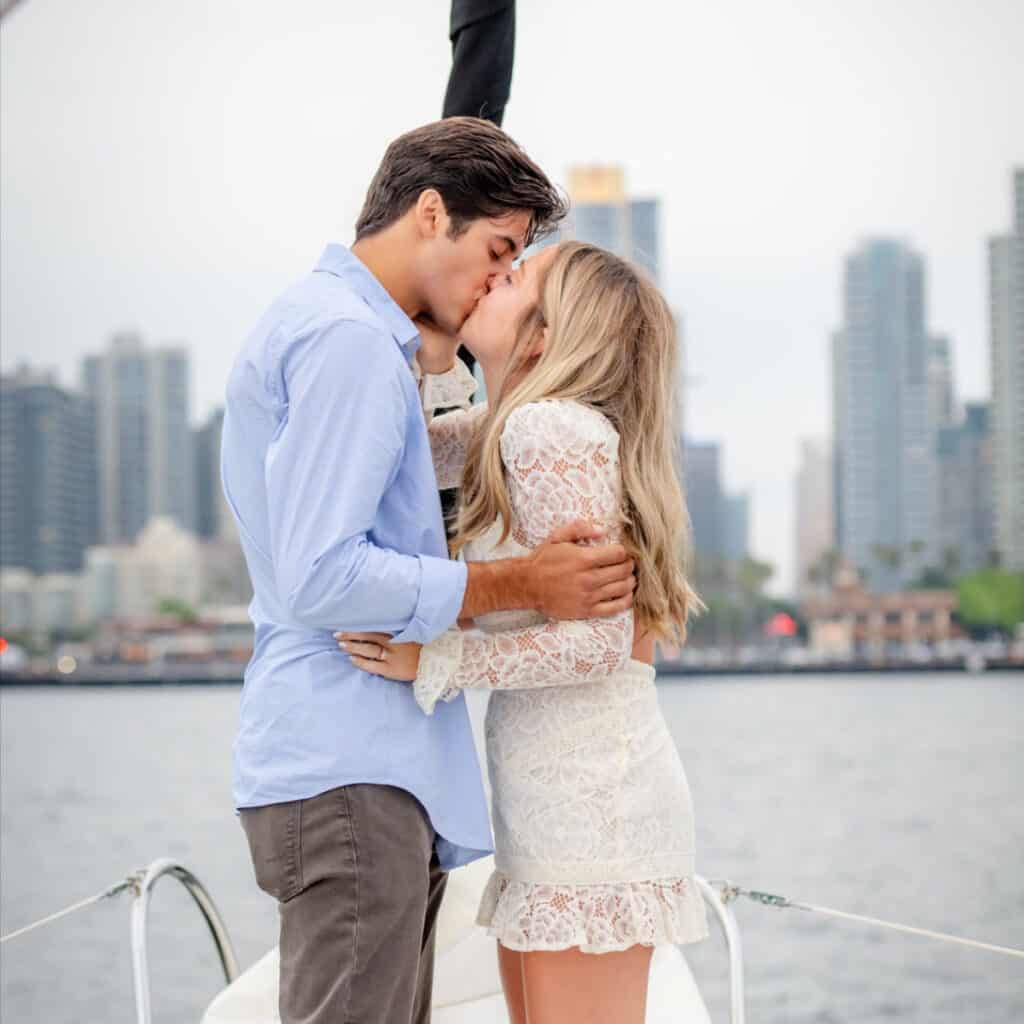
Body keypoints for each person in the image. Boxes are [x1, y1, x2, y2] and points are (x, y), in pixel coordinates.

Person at [221, 120, 638, 1024]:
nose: (498, 278)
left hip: (355, 764)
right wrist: (520, 584)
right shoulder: (348, 343)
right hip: (350, 765)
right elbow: (322, 573)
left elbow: (431, 462)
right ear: (430, 211)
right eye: (498, 251)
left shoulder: (348, 334)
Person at [340, 241, 710, 1024]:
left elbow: (597, 645)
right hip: (554, 793)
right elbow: (399, 447)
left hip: (590, 799)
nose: (488, 279)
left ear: (543, 335)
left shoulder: (548, 430)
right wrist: (430, 336)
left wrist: (435, 659)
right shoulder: (511, 426)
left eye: (511, 278)